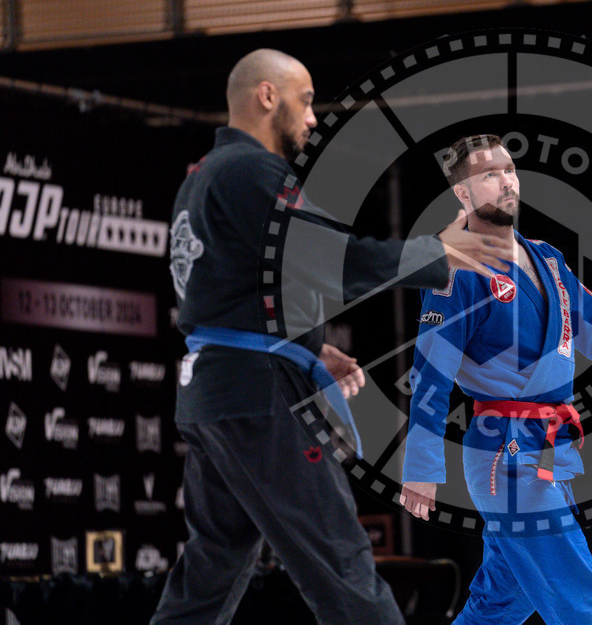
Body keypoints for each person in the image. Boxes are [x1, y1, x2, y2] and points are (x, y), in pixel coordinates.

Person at [152, 50, 514, 624]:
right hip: (258, 397)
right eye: (305, 99)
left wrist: (310, 344)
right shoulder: (252, 172)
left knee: (213, 565)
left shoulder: (201, 179)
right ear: (266, 96)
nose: (314, 117)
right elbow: (332, 261)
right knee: (340, 564)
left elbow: (220, 288)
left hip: (214, 392)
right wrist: (437, 252)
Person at [399, 134, 592, 624]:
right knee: (580, 599)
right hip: (504, 452)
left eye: (509, 169)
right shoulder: (455, 268)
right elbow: (431, 370)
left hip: (545, 446)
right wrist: (423, 465)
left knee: (504, 599)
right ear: (464, 194)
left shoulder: (547, 258)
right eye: (488, 174)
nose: (505, 180)